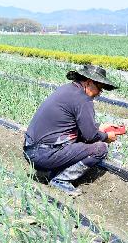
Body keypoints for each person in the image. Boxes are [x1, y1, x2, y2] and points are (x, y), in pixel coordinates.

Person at [23, 65, 121, 195]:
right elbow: (91, 136)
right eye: (99, 88)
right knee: (100, 148)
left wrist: (100, 127)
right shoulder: (83, 99)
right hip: (43, 154)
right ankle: (60, 179)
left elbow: (79, 127)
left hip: (31, 149)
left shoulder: (67, 90)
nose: (99, 93)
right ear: (89, 82)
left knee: (82, 139)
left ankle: (52, 169)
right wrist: (106, 136)